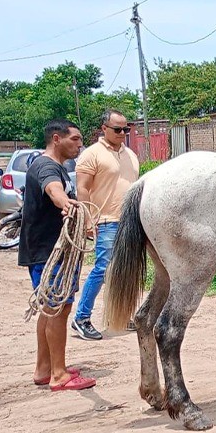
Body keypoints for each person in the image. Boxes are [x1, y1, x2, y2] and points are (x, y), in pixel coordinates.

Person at [21, 119, 95, 391]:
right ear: (56, 138)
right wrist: (66, 204)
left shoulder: (54, 166)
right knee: (57, 309)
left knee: (49, 309)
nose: (79, 144)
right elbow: (54, 191)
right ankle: (59, 375)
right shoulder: (47, 167)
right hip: (47, 251)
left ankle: (44, 369)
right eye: (74, 139)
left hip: (45, 249)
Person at [70, 109, 140, 340]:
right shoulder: (92, 154)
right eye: (117, 129)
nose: (122, 133)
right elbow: (83, 188)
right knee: (102, 269)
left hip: (129, 221)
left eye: (125, 129)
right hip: (106, 221)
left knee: (124, 270)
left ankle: (119, 316)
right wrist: (88, 217)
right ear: (104, 129)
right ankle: (81, 318)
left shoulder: (130, 154)